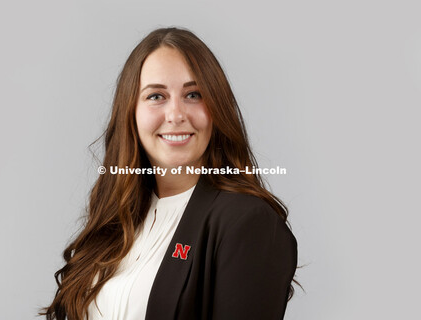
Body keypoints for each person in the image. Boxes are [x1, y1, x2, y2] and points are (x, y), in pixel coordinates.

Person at [40, 27, 298, 320]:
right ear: (131, 112)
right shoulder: (115, 219)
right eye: (156, 96)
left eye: (193, 94)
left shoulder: (248, 223)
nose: (176, 115)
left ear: (217, 107)